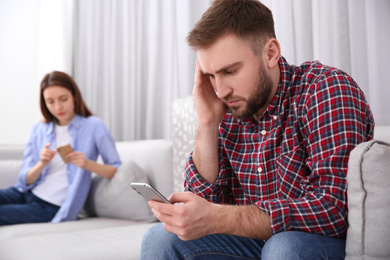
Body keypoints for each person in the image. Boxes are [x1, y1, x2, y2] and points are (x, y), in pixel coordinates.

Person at [141, 0, 375, 259]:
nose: (220, 90)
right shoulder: (228, 108)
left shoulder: (325, 90)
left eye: (230, 71)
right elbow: (203, 213)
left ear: (271, 53)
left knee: (284, 248)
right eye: (210, 75)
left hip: (317, 243)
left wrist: (219, 217)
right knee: (160, 239)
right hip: (256, 244)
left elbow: (334, 210)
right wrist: (206, 123)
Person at [0, 71, 121, 225]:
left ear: (74, 96)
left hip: (51, 206)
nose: (58, 107)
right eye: (50, 102)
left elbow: (115, 169)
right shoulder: (38, 129)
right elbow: (25, 181)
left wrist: (87, 164)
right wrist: (41, 164)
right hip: (24, 193)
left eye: (63, 99)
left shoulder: (94, 126)